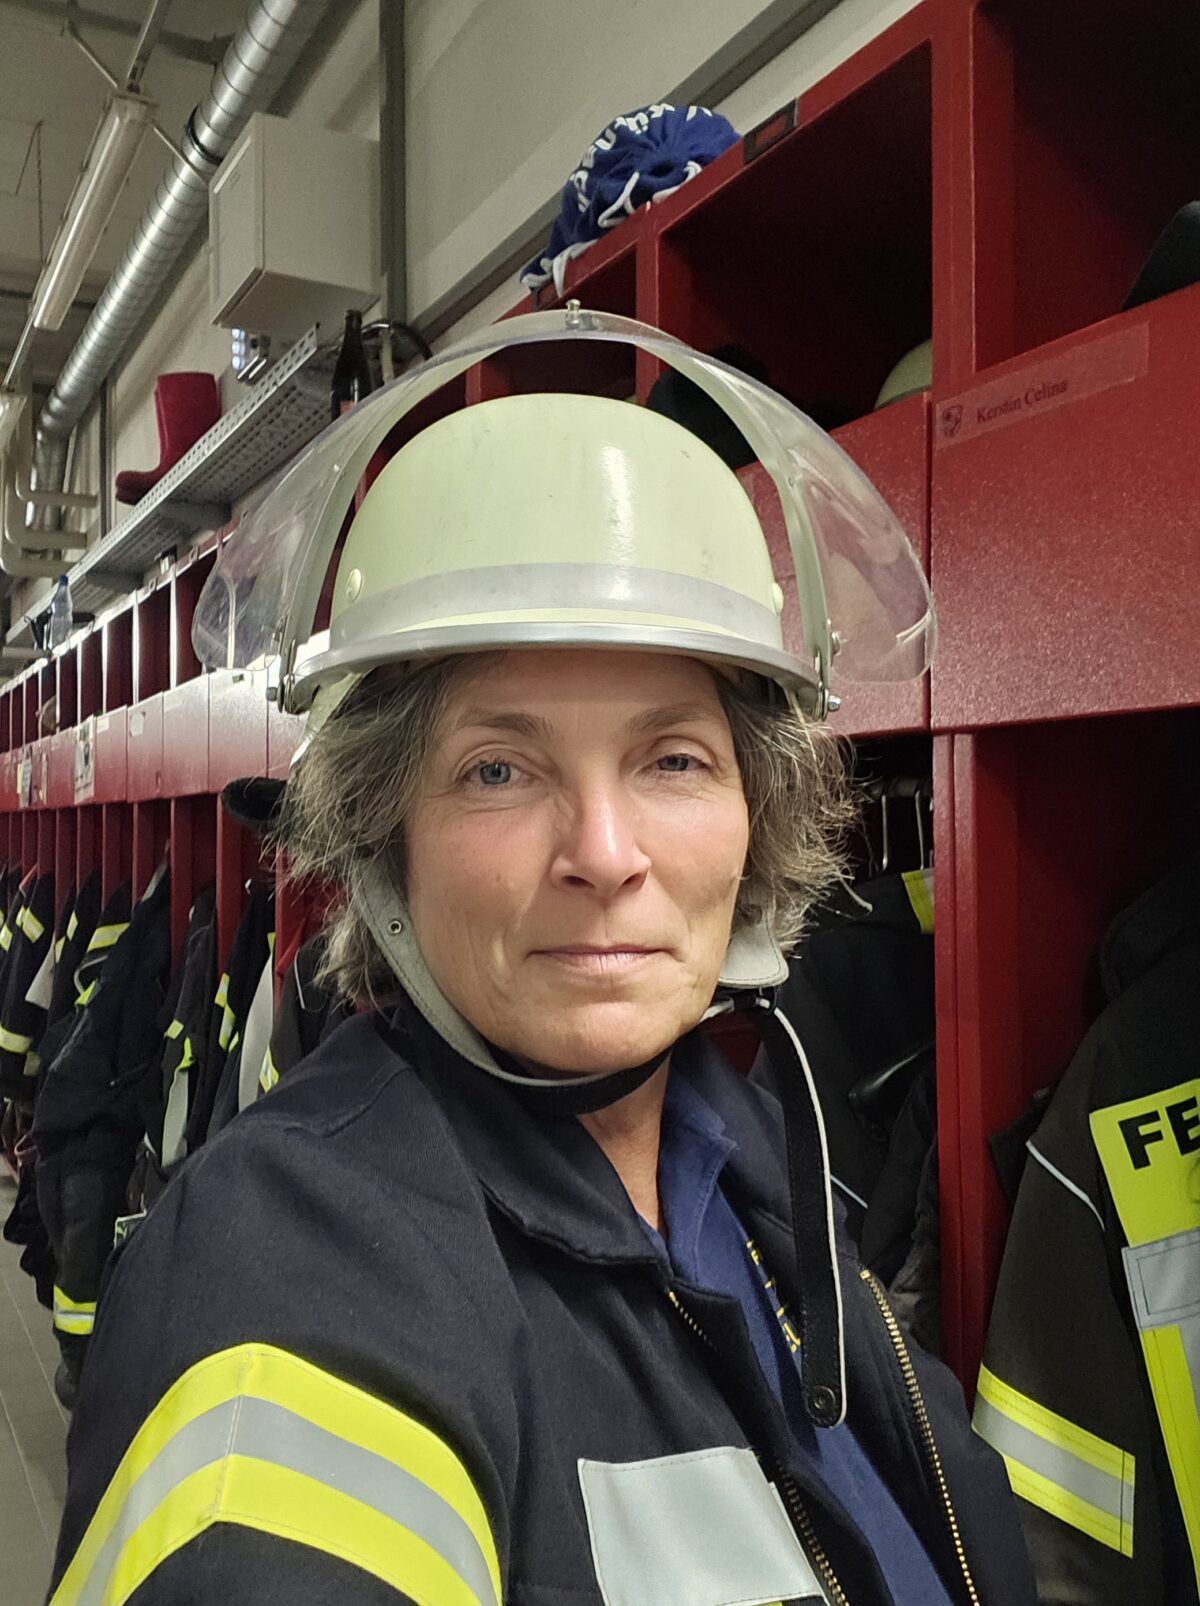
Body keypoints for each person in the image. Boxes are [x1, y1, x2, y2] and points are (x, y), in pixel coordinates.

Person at [48, 313, 1035, 1605]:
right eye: (500, 768)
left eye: (673, 758)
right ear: (384, 834)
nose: (605, 851)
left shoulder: (742, 1158)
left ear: (761, 810)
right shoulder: (283, 1275)